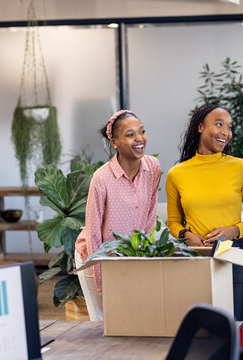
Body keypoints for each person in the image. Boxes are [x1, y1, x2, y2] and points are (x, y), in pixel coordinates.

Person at [166, 103, 243, 345]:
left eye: (229, 127)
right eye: (219, 124)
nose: (225, 132)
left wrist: (232, 230)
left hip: (235, 256)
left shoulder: (241, 168)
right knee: (201, 333)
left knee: (237, 330)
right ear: (200, 127)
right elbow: (174, 222)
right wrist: (186, 234)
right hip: (197, 258)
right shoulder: (177, 174)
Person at [74, 110, 161, 321]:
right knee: (103, 322)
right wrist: (104, 285)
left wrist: (142, 256)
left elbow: (150, 217)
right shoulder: (102, 178)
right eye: (130, 134)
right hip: (95, 257)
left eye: (142, 131)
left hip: (130, 256)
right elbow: (94, 234)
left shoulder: (153, 167)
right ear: (114, 143)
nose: (140, 138)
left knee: (130, 320)